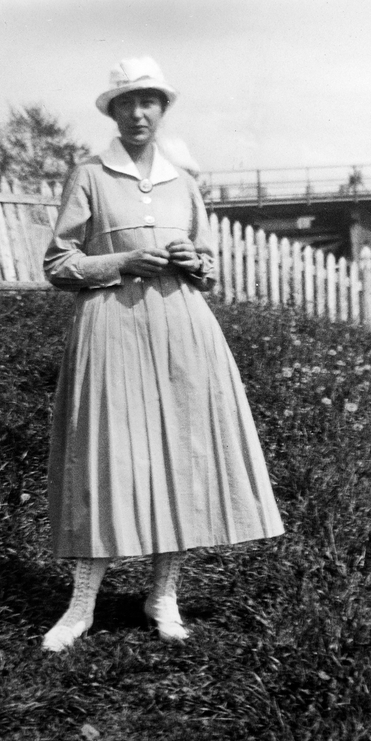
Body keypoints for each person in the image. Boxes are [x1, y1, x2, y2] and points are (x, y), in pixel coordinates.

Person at [41, 56, 284, 653]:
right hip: (111, 327)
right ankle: (81, 607)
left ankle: (163, 594)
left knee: (181, 457)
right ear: (114, 111)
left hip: (182, 329)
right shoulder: (90, 175)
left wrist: (197, 264)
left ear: (162, 108)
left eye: (148, 101)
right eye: (126, 102)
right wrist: (120, 262)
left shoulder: (185, 180)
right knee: (107, 457)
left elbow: (208, 264)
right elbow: (58, 263)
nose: (138, 112)